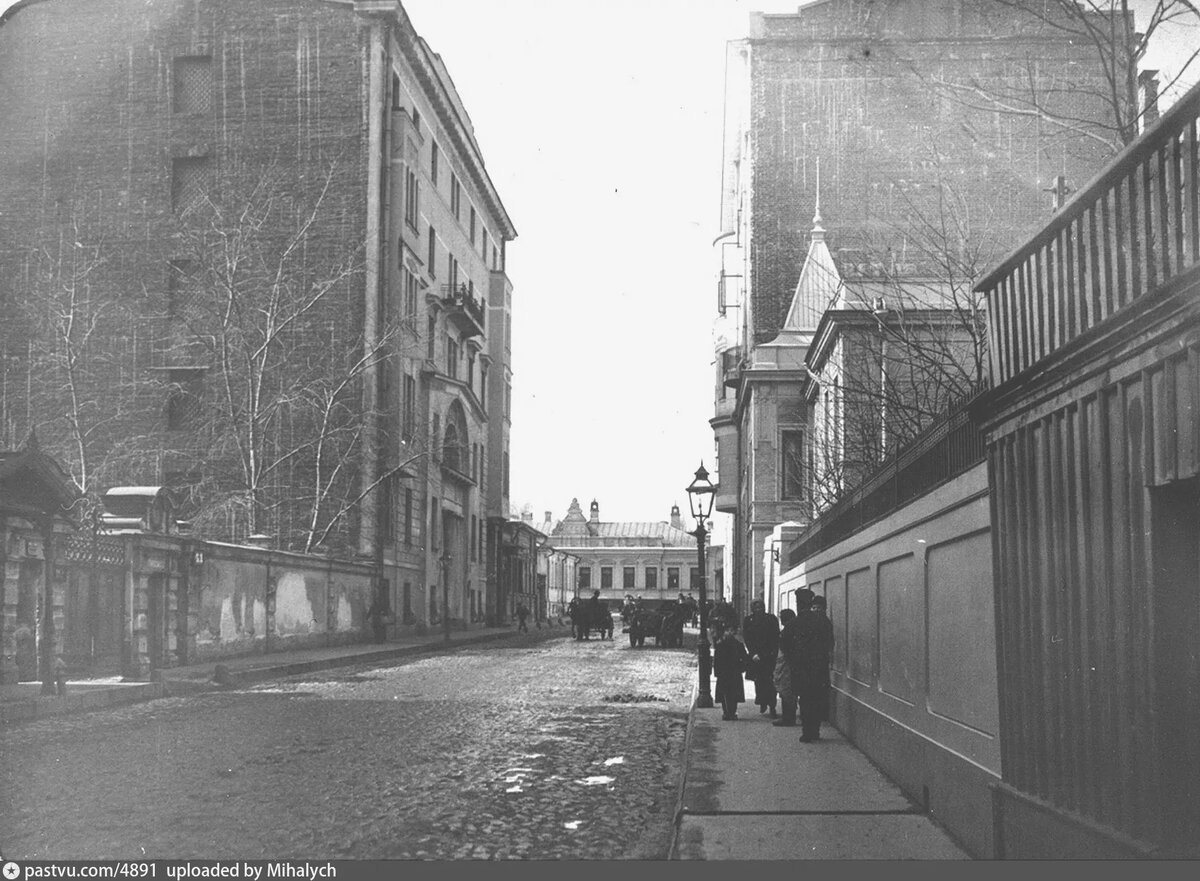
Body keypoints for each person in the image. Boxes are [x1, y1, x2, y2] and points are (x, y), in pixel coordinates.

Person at [793, 589, 834, 742]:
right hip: (819, 667)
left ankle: (807, 732)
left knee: (805, 700)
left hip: (803, 668)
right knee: (816, 699)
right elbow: (830, 643)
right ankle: (815, 731)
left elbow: (789, 645)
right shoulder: (824, 621)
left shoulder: (799, 621)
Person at [742, 599, 780, 717]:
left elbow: (776, 636)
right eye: (756, 608)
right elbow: (747, 638)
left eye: (761, 607)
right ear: (752, 609)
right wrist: (752, 653)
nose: (759, 610)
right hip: (756, 656)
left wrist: (773, 652)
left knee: (771, 682)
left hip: (769, 656)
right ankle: (762, 702)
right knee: (759, 682)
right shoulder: (748, 620)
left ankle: (772, 706)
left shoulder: (771, 619)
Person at [712, 624, 749, 721]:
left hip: (733, 672)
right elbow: (716, 661)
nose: (729, 633)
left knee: (733, 693)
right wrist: (717, 672)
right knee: (725, 693)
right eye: (727, 631)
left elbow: (744, 658)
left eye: (731, 631)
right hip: (726, 673)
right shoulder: (720, 645)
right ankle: (726, 712)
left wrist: (741, 668)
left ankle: (731, 712)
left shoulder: (737, 645)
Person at [773, 608, 799, 727]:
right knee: (787, 691)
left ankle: (788, 718)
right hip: (787, 663)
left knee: (786, 691)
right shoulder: (792, 629)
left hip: (786, 665)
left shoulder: (788, 631)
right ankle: (788, 716)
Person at [811, 595, 835, 722]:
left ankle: (821, 713)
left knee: (820, 687)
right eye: (813, 608)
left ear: (824, 609)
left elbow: (829, 642)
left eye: (818, 608)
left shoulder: (825, 623)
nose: (816, 610)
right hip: (817, 659)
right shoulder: (820, 622)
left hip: (821, 659)